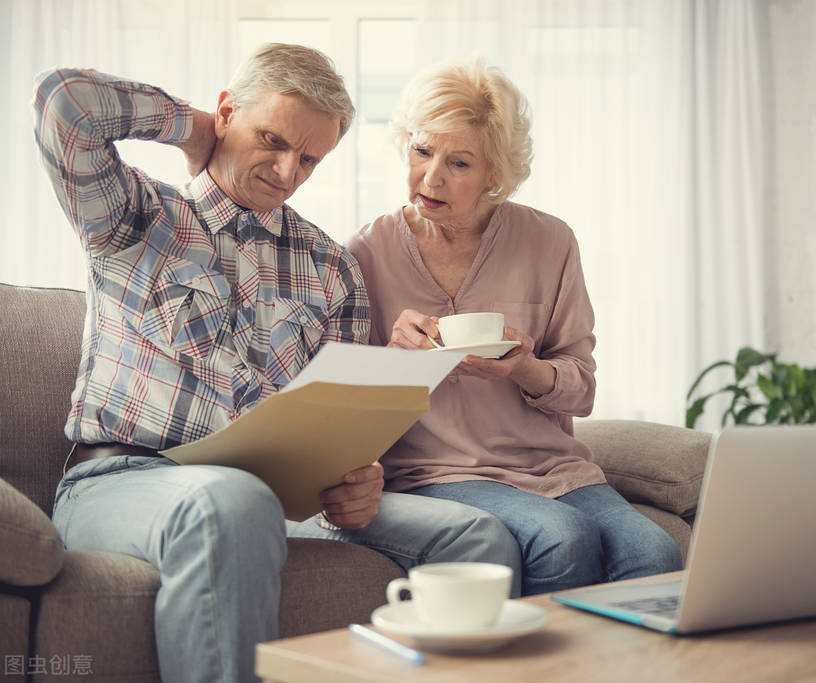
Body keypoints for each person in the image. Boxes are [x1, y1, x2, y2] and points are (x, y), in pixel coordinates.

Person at [34, 44, 520, 683]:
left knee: (481, 539)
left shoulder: (330, 266)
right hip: (121, 481)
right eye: (271, 139)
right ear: (228, 112)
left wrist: (358, 476)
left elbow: (344, 416)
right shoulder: (133, 217)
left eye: (310, 158)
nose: (288, 170)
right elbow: (65, 102)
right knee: (231, 502)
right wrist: (191, 128)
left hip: (285, 496)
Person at [346, 54, 684, 596]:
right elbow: (343, 405)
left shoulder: (549, 243)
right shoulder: (363, 253)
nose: (431, 176)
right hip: (433, 472)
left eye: (459, 163)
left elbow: (582, 387)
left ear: (495, 174)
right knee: (562, 537)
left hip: (552, 468)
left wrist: (526, 370)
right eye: (421, 150)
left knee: (656, 551)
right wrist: (395, 359)